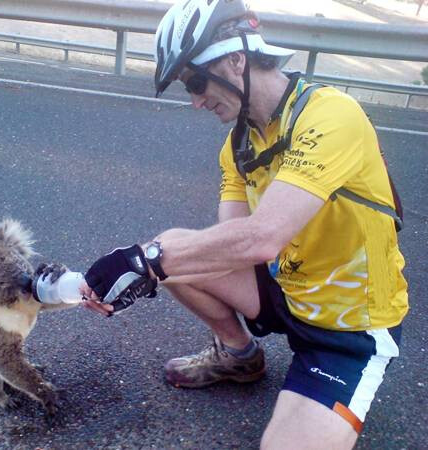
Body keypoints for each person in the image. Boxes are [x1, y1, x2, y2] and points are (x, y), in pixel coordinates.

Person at [80, 0, 409, 448]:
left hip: (347, 329)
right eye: (187, 88)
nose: (196, 100)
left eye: (196, 81)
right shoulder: (239, 144)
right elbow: (227, 243)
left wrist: (146, 260)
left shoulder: (331, 116)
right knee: (175, 248)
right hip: (287, 292)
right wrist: (151, 260)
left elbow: (262, 237)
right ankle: (239, 356)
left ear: (236, 58)